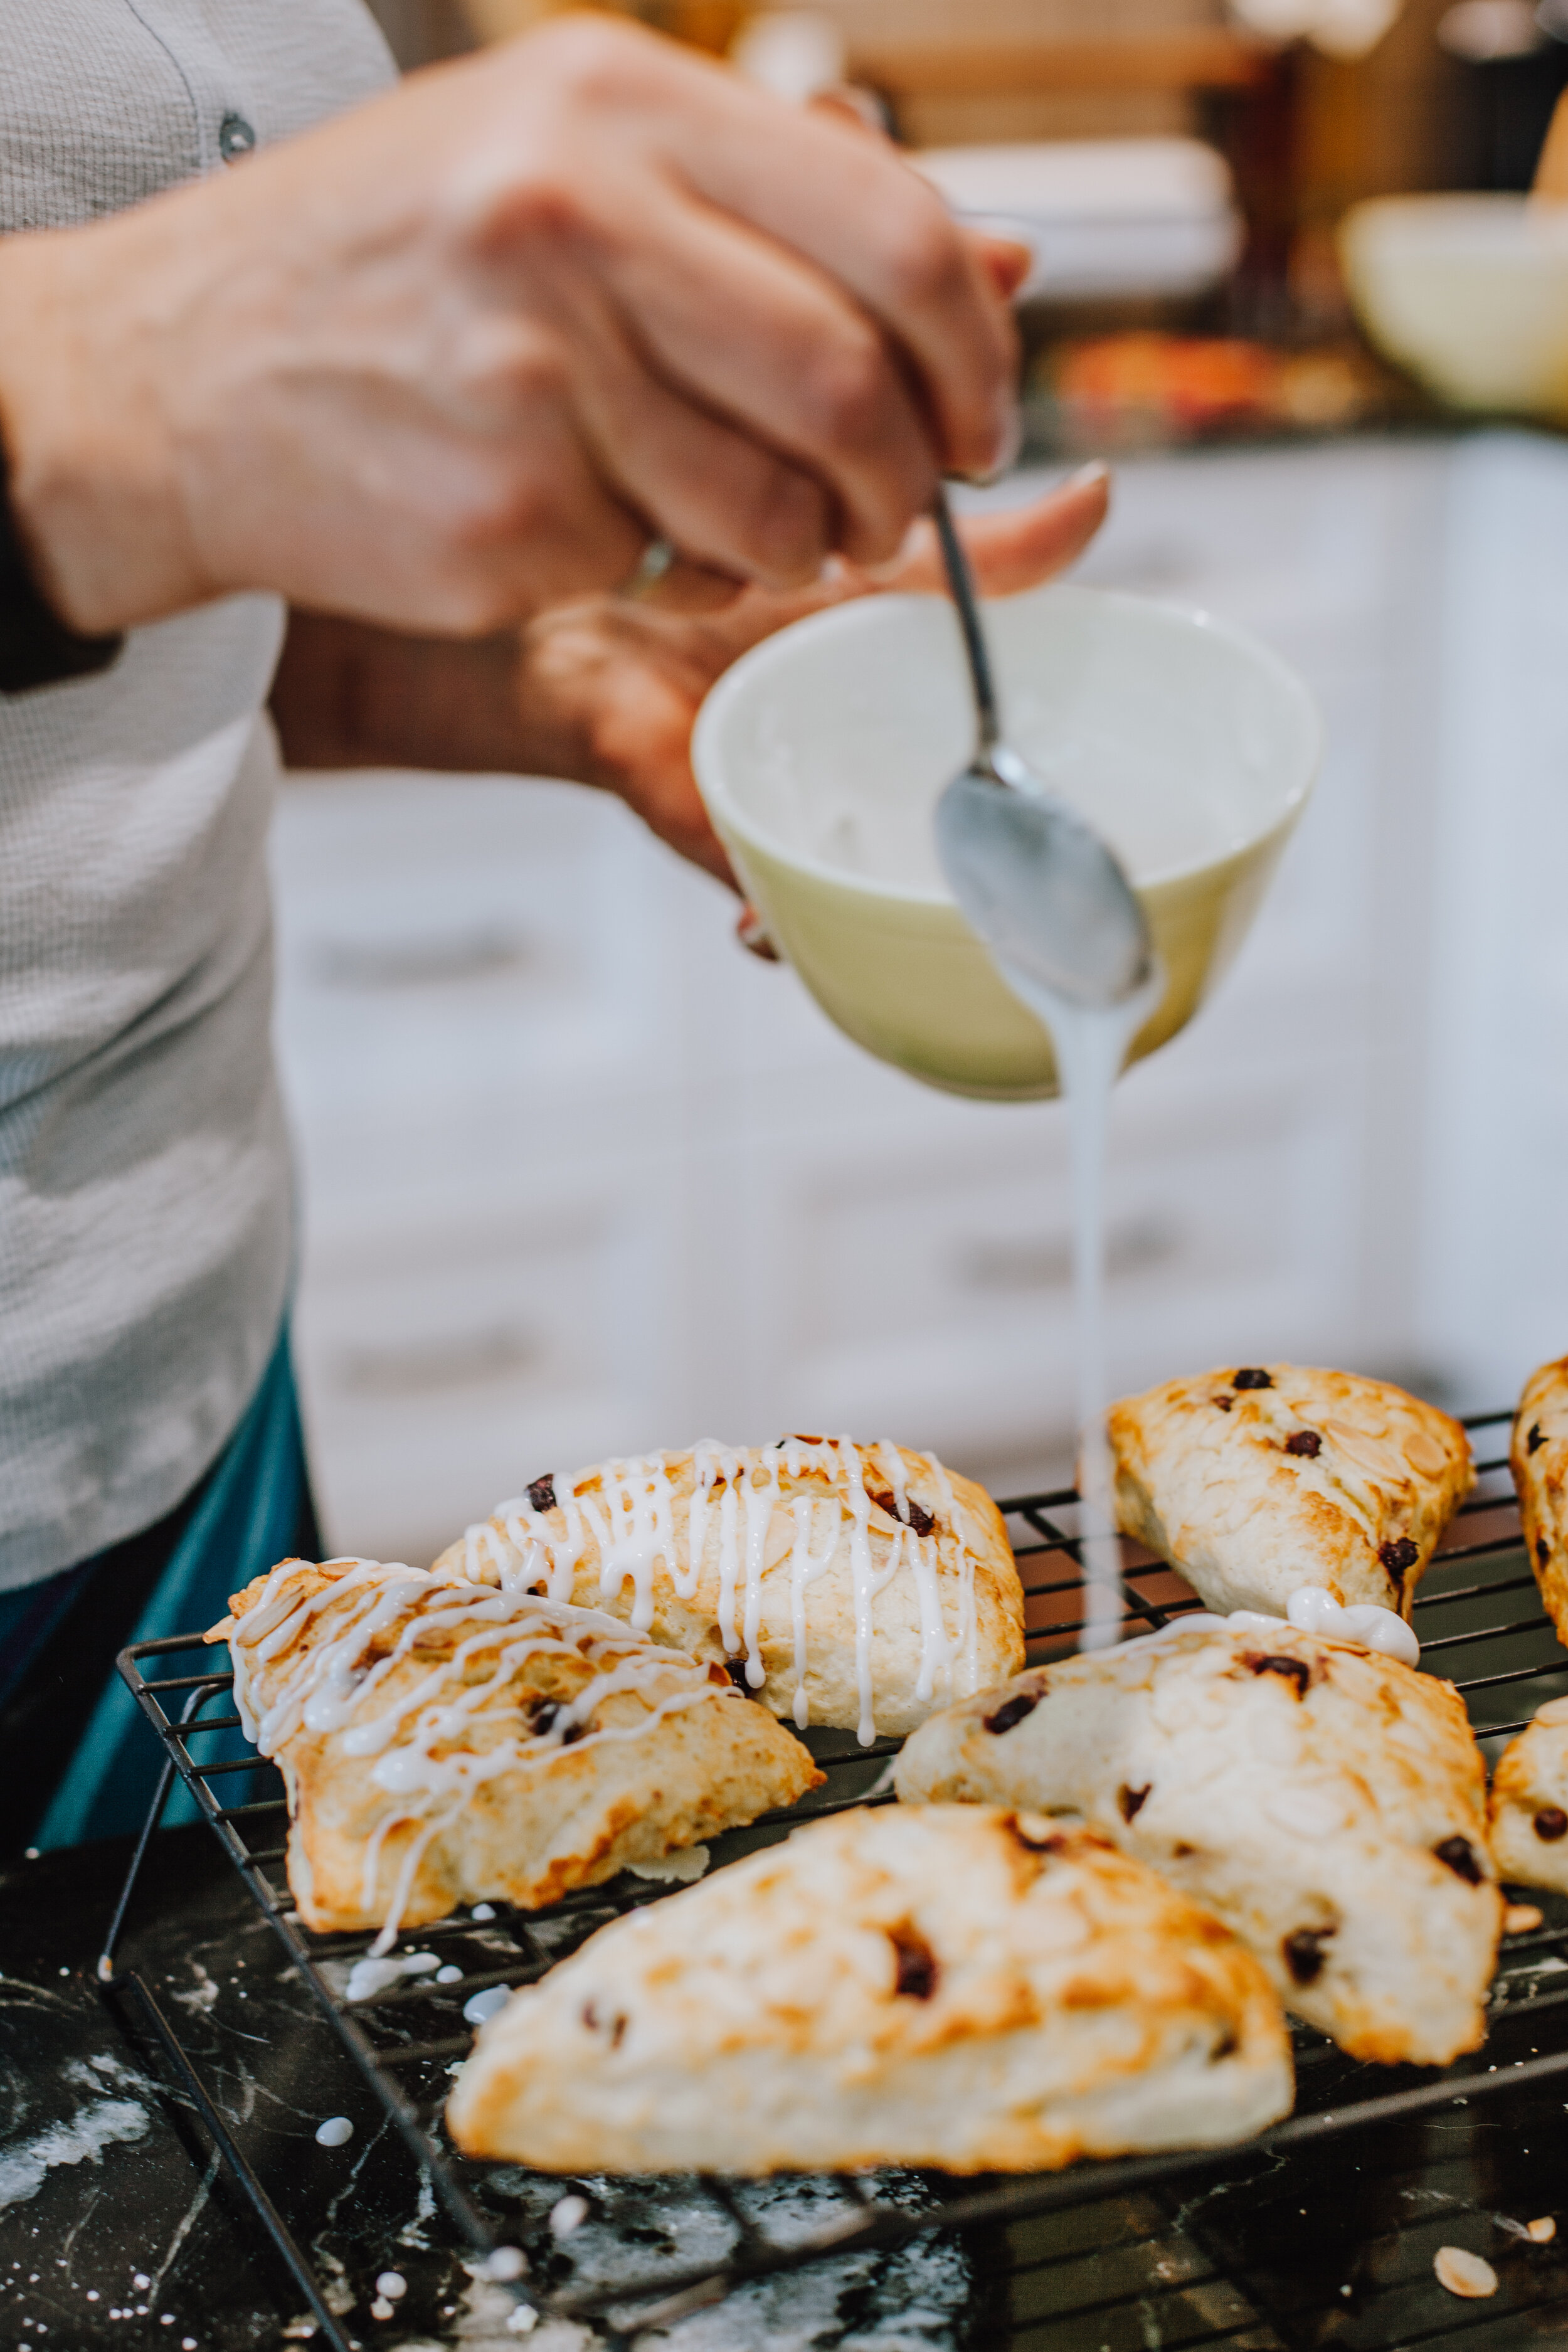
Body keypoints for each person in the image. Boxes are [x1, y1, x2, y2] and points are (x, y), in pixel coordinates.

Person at [0, 3, 1110, 1851]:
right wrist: (90, 406)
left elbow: (130, 666)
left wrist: (547, 666)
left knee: (215, 2104)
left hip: (180, 1378)